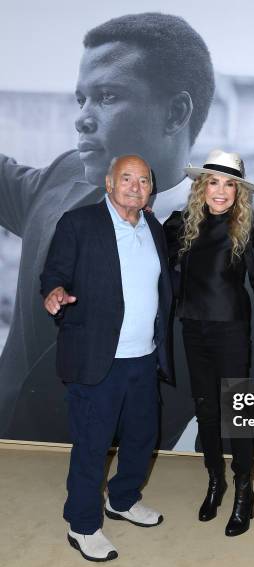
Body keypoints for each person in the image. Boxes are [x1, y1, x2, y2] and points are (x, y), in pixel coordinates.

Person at [0, 12, 214, 443]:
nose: (83, 117)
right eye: (82, 99)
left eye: (108, 96)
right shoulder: (64, 179)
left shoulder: (221, 254)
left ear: (175, 113)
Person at [40, 155, 173, 562]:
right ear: (109, 183)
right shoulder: (78, 223)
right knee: (92, 445)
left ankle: (123, 499)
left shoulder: (152, 225)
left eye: (144, 180)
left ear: (151, 189)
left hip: (143, 356)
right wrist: (55, 292)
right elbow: (53, 273)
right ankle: (81, 524)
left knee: (141, 437)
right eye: (127, 178)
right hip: (98, 357)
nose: (135, 186)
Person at [164, 150, 254, 536]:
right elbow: (154, 270)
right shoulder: (180, 226)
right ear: (201, 186)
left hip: (230, 331)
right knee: (206, 412)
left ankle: (244, 491)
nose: (221, 191)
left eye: (230, 184)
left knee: (238, 415)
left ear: (239, 192)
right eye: (214, 181)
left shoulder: (248, 230)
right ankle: (216, 482)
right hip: (193, 330)